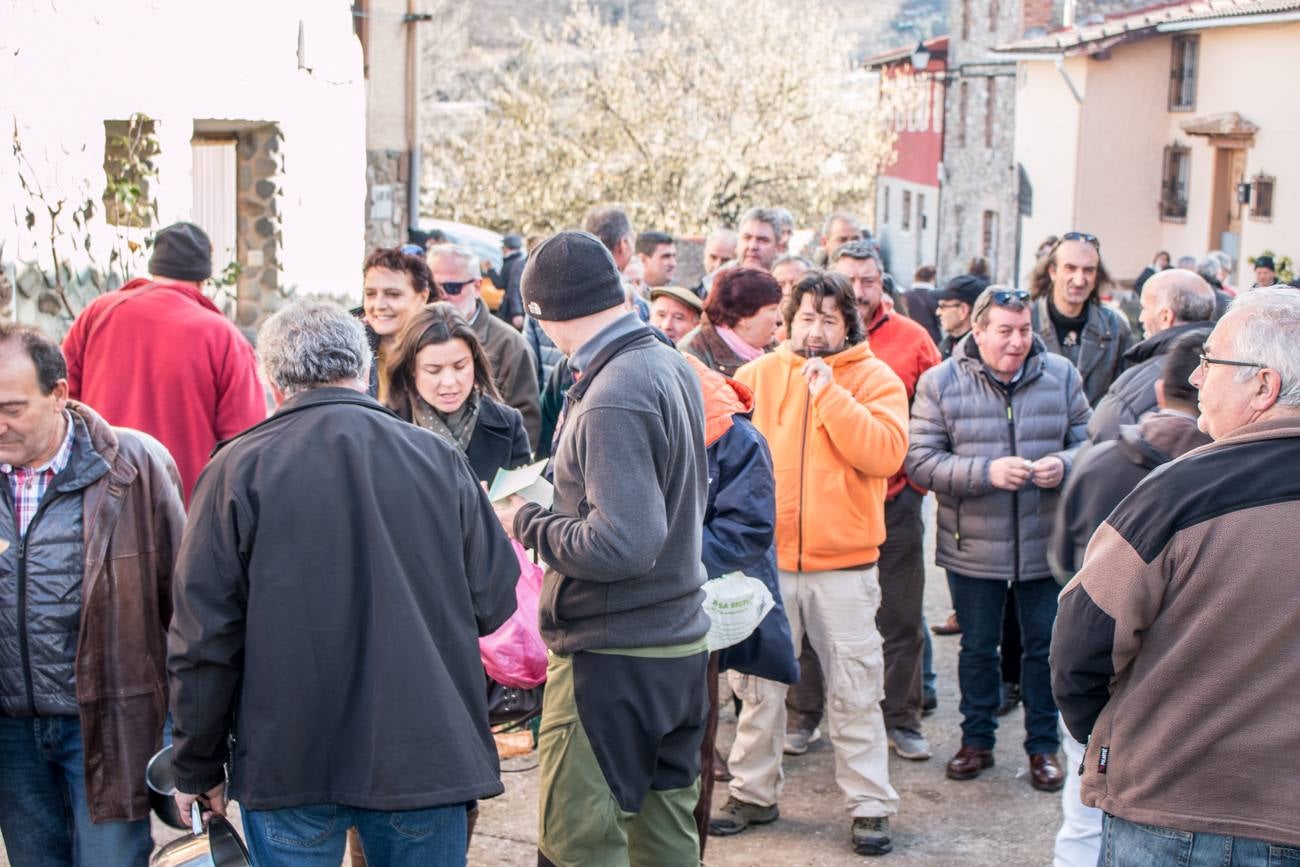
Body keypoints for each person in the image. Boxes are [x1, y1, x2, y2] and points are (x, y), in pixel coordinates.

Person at [168, 299, 519, 865]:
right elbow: (496, 601)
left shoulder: (236, 468)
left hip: (289, 760)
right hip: (422, 752)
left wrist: (197, 764)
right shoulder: (438, 459)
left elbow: (203, 639)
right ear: (363, 366)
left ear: (272, 377)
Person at [1052, 287, 1300, 864]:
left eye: (1211, 362)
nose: (1195, 379)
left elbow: (1081, 642)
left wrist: (1115, 738)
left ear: (1263, 386)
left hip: (1170, 807)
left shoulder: (1176, 492)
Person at [501, 231, 710, 866]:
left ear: (542, 313)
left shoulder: (613, 391)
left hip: (612, 659)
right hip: (676, 647)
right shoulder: (667, 360)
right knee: (665, 835)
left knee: (579, 845)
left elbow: (624, 543)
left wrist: (526, 521)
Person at [713, 271, 909, 857]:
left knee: (854, 687)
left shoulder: (876, 379)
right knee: (759, 689)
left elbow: (884, 454)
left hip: (845, 567)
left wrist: (830, 394)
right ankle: (752, 792)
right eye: (806, 318)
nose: (816, 331)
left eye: (829, 319)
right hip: (767, 564)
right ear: (787, 323)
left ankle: (869, 804)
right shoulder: (757, 377)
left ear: (847, 323)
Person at [0, 325, 184, 867]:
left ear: (59, 394)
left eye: (12, 408)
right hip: (10, 734)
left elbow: (183, 605)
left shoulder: (133, 464)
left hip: (106, 724)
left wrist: (189, 728)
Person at [907, 286, 1090, 793]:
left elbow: (1089, 441)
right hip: (973, 544)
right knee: (977, 649)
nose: (1016, 342)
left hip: (1045, 541)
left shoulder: (1062, 376)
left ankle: (1042, 749)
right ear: (978, 330)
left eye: (1025, 330)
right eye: (1005, 331)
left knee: (1044, 649)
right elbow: (919, 459)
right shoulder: (940, 382)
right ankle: (976, 741)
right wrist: (986, 471)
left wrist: (1065, 464)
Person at [818, 241, 941, 761]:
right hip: (826, 504)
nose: (862, 291)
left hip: (894, 500)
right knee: (815, 617)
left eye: (870, 280)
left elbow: (937, 409)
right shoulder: (811, 339)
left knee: (900, 616)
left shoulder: (913, 339)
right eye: (851, 281)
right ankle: (806, 716)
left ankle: (902, 718)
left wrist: (914, 481)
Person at [683, 353, 798, 859]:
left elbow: (745, 532)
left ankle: (691, 844)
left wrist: (661, 564)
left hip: (695, 614)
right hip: (626, 620)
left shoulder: (735, 438)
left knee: (690, 750)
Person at [61, 221, 265, 502]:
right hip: (186, 514)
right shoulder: (224, 337)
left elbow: (59, 398)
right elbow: (245, 444)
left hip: (98, 504)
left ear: (155, 266)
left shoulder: (98, 313)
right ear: (204, 277)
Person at [385, 303, 531, 481]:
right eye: (433, 370)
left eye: (460, 366)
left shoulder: (509, 424)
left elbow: (524, 501)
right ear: (412, 369)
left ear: (475, 362)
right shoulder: (386, 426)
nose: (449, 382)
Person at [429, 243, 541, 448]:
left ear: (477, 287)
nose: (442, 296)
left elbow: (526, 428)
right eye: (433, 288)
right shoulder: (412, 338)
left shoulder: (511, 346)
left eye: (452, 288)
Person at [1087, 269, 1215, 442]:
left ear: (1165, 317)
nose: (1140, 318)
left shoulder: (1136, 384)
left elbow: (1102, 435)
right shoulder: (1229, 369)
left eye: (1144, 308)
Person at [1027, 232, 1134, 406]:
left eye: (1088, 270)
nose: (1079, 280)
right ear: (1053, 272)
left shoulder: (1116, 327)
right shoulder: (1026, 323)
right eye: (1070, 268)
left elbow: (1126, 397)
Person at [359, 246, 435, 400]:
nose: (379, 305)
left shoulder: (444, 350)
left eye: (393, 294)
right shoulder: (351, 352)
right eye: (370, 294)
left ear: (422, 297)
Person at [678, 268, 783, 377]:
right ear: (744, 316)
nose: (780, 319)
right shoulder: (692, 356)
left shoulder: (773, 348)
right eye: (773, 309)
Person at [935, 274, 988, 359]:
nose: (938, 312)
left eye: (943, 306)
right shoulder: (946, 346)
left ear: (963, 310)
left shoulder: (980, 355)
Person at [489, 233, 527, 330]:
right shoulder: (521, 260)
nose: (502, 249)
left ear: (507, 248)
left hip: (511, 308)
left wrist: (490, 270)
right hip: (521, 306)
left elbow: (500, 284)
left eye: (503, 247)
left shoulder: (510, 263)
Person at [899, 265, 943, 346]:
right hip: (932, 339)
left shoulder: (905, 296)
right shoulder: (935, 296)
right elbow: (940, 321)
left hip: (910, 338)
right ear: (932, 278)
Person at [736, 208, 783, 272]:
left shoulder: (787, 280)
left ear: (777, 247)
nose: (752, 246)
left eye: (762, 240)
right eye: (747, 237)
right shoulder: (721, 279)